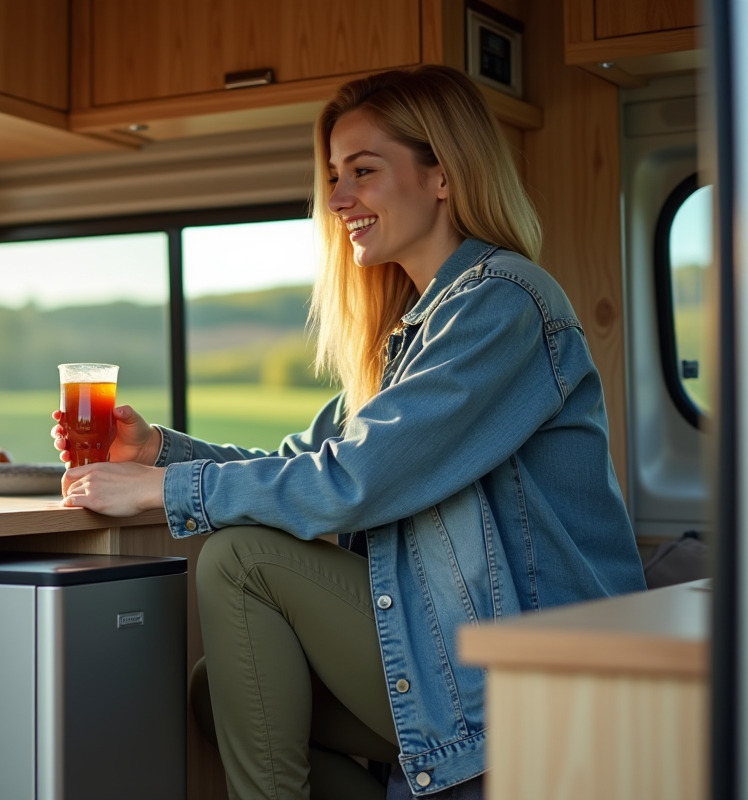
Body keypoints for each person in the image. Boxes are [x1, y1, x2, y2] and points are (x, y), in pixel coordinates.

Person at [49, 65, 646, 800]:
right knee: (219, 693)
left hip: (540, 679)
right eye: (334, 176)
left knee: (239, 560)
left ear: (443, 177)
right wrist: (159, 451)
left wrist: (164, 489)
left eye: (362, 171)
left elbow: (355, 480)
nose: (336, 200)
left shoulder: (504, 304)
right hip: (475, 657)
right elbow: (303, 462)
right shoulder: (411, 338)